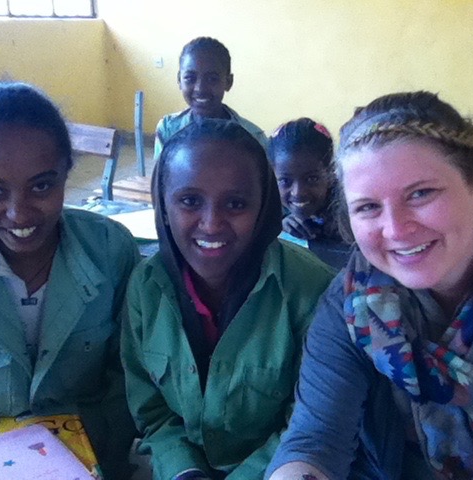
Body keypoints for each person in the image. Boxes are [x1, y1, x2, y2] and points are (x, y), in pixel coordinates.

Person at [266, 91, 473, 479]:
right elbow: (316, 440)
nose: (395, 230)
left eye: (421, 194)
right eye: (368, 207)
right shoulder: (353, 306)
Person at [0, 82, 139, 479]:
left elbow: (129, 368)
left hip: (87, 455)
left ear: (67, 172)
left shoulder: (111, 251)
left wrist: (104, 450)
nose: (19, 213)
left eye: (41, 185)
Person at [121, 119, 334, 480]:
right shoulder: (146, 286)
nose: (211, 223)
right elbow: (152, 411)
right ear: (163, 207)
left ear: (263, 207)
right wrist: (184, 470)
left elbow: (309, 425)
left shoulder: (312, 291)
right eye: (190, 201)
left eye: (236, 204)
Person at [152, 36, 267, 161]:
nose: (200, 89)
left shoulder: (254, 137)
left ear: (228, 82)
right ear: (179, 80)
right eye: (190, 78)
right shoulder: (168, 129)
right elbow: (160, 172)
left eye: (212, 79)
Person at [268, 118, 351, 269]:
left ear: (331, 172)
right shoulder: (270, 206)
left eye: (311, 179)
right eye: (285, 181)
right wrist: (284, 225)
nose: (298, 192)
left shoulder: (350, 211)